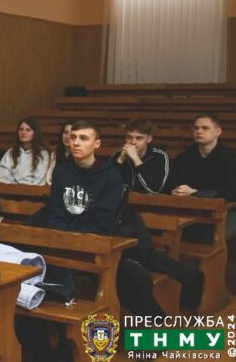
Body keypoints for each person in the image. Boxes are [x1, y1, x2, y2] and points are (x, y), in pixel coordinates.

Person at [49, 120, 175, 316]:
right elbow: (56, 211)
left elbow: (103, 219)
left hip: (98, 242)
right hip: (65, 242)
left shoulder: (110, 175)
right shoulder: (61, 171)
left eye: (83, 138)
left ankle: (155, 325)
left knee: (134, 278)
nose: (76, 142)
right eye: (73, 137)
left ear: (97, 144)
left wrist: (76, 241)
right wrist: (63, 240)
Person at [168, 113, 236, 239]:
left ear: (217, 131)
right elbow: (172, 184)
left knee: (208, 238)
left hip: (224, 212)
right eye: (196, 128)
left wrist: (196, 192)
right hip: (189, 211)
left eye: (205, 128)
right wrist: (175, 190)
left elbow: (231, 191)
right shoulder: (183, 158)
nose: (199, 131)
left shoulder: (230, 159)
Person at [111, 119, 169, 194]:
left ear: (149, 139)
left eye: (139, 138)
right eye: (129, 137)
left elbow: (154, 190)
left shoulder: (159, 156)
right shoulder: (118, 155)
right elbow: (105, 185)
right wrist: (120, 160)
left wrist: (136, 159)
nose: (133, 142)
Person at [0, 117, 49, 185]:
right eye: (21, 129)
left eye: (28, 130)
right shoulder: (11, 152)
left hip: (33, 190)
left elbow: (39, 179)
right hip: (10, 188)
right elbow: (2, 173)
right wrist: (14, 185)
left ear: (35, 133)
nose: (23, 132)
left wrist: (24, 188)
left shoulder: (42, 154)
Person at [46, 120, 74, 184]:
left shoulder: (80, 156)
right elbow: (49, 178)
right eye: (65, 133)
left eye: (71, 134)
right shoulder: (55, 154)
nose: (67, 137)